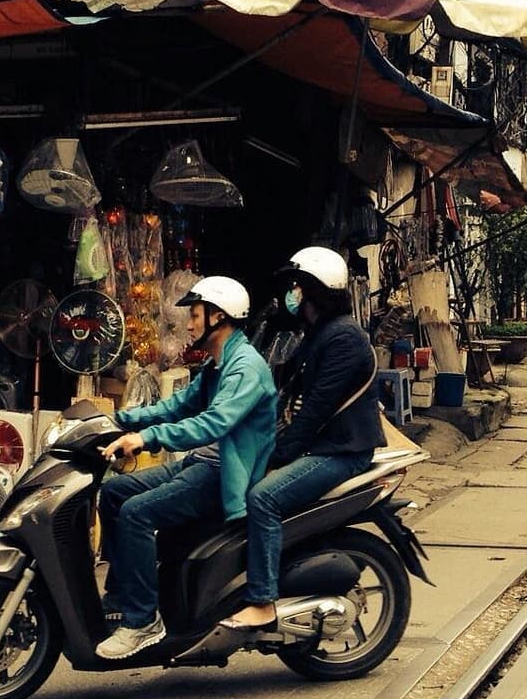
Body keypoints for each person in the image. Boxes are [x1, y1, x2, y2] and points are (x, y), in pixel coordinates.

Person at [96, 278, 276, 660]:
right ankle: (122, 597)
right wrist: (117, 420)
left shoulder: (245, 368)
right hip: (200, 464)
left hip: (223, 474)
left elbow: (212, 423)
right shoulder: (218, 364)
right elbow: (176, 405)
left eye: (195, 316)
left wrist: (148, 439)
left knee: (136, 514)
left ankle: (143, 621)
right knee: (114, 494)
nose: (189, 325)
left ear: (218, 317)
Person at [220, 249, 384, 632]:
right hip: (325, 447)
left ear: (314, 290)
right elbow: (284, 390)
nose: (291, 293)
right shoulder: (319, 334)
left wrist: (280, 453)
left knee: (263, 497)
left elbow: (316, 410)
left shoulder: (344, 337)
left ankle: (261, 600)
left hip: (342, 452)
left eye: (297, 286)